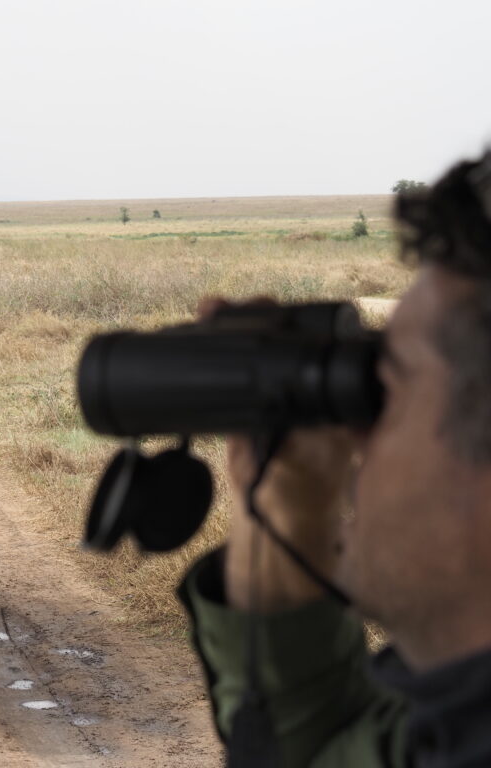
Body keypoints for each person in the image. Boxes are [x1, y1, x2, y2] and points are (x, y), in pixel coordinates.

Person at [179, 151, 491, 767]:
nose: (353, 436)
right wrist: (290, 503)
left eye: (386, 392)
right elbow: (311, 750)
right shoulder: (450, 722)